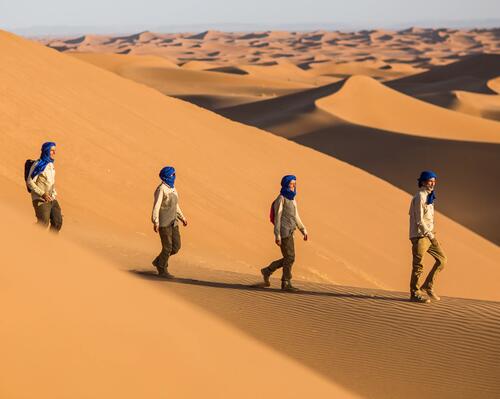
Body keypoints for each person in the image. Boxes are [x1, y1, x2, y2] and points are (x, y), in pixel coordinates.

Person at [261, 175, 308, 291]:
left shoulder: (292, 199)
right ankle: (285, 282)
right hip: (283, 232)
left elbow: (296, 216)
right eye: (292, 184)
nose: (294, 186)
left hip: (291, 231)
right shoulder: (281, 198)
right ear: (286, 184)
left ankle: (267, 271)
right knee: (290, 257)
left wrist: (303, 229)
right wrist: (277, 235)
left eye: (295, 184)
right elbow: (277, 217)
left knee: (288, 257)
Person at [408, 171, 447, 303]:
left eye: (434, 181)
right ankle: (415, 293)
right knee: (418, 266)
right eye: (430, 181)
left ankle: (428, 286)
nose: (432, 183)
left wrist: (431, 234)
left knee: (442, 260)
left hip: (429, 235)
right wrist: (430, 235)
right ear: (423, 182)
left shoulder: (430, 196)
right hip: (420, 236)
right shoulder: (420, 196)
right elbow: (419, 220)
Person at [151, 166, 188, 277]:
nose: (175, 176)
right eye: (173, 175)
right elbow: (156, 206)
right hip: (164, 223)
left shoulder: (172, 188)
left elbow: (175, 205)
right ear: (167, 176)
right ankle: (162, 269)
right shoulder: (161, 189)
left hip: (174, 222)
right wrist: (156, 221)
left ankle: (158, 261)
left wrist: (182, 218)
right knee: (167, 248)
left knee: (176, 247)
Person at [26, 141, 63, 232]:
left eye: (55, 150)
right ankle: (27, 234)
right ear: (46, 150)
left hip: (51, 198)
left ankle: (50, 243)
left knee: (57, 221)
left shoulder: (51, 165)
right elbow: (29, 181)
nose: (54, 153)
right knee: (43, 223)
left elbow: (51, 183)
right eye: (52, 150)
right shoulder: (38, 165)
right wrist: (42, 194)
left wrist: (53, 193)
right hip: (40, 199)